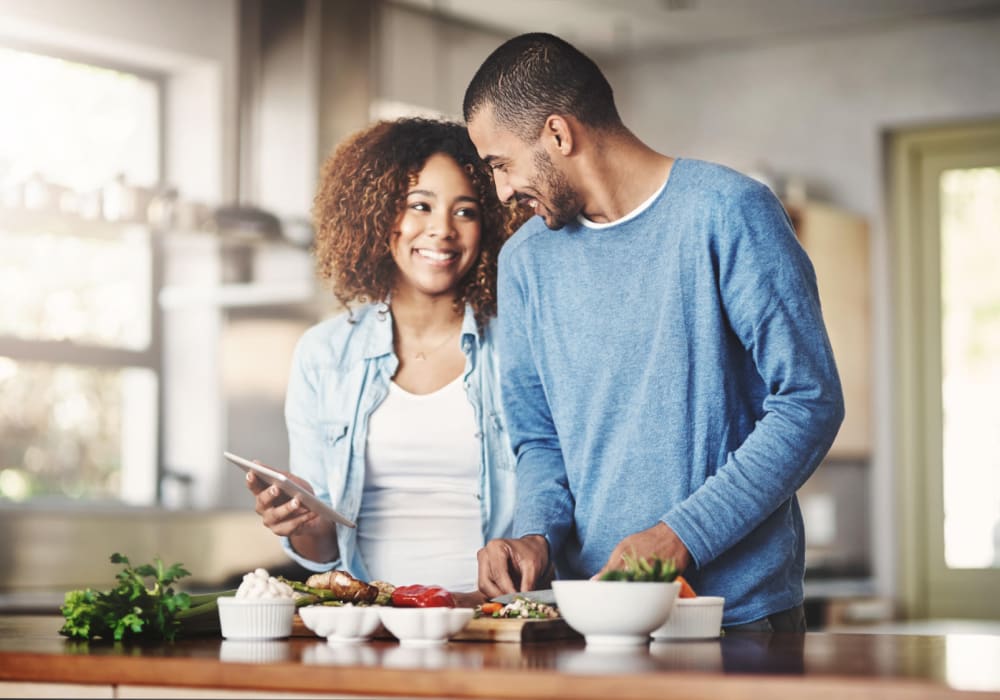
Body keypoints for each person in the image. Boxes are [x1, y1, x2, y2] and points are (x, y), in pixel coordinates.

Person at [464, 33, 845, 631]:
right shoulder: (524, 262)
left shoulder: (729, 213)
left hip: (735, 619)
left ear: (559, 135)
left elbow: (809, 402)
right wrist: (535, 533)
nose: (502, 191)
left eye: (501, 164)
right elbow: (539, 439)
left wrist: (680, 537)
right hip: (588, 616)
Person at [245, 118, 524, 604]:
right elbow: (324, 555)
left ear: (490, 226)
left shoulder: (519, 346)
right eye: (420, 206)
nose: (442, 230)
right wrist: (302, 521)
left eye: (466, 211)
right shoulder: (324, 355)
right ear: (378, 217)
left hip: (489, 623)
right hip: (370, 624)